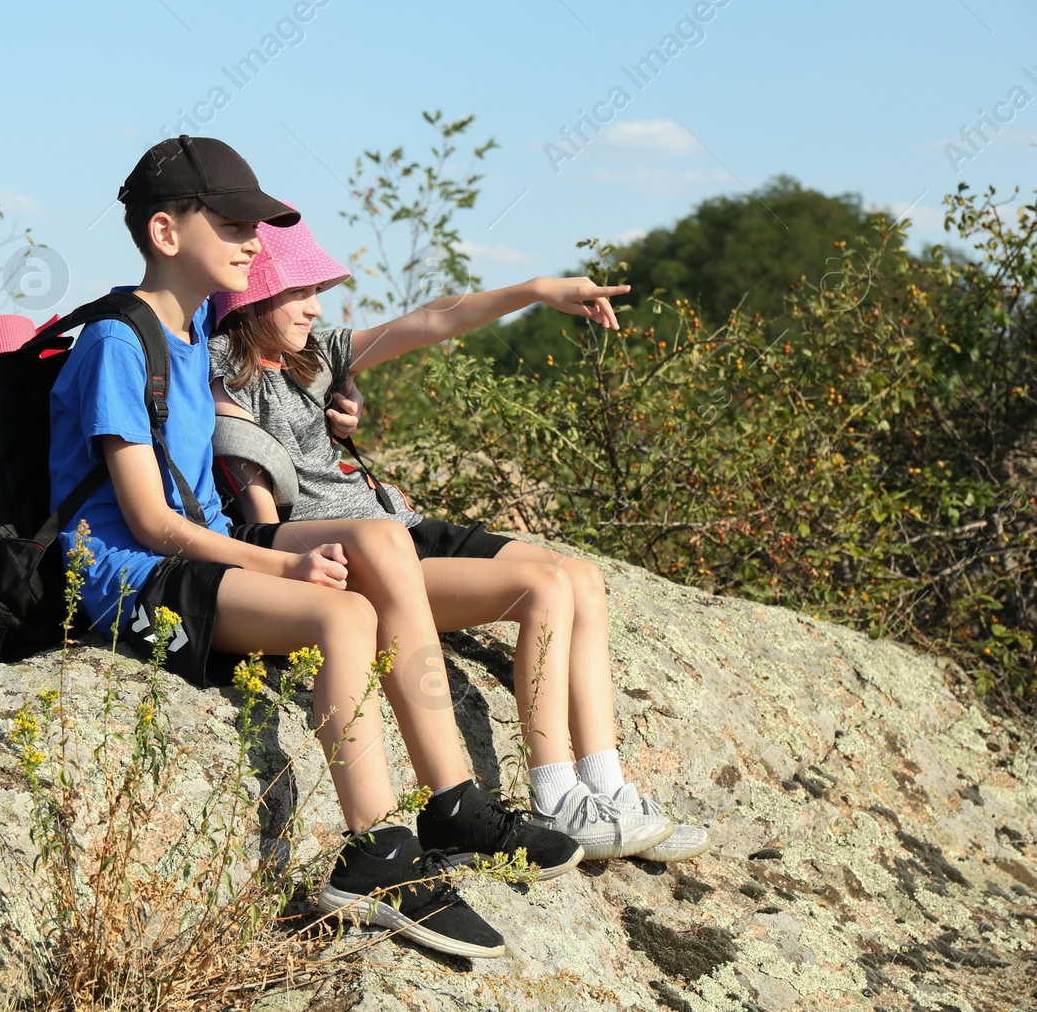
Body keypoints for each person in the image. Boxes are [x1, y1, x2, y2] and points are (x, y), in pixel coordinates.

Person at [48, 136, 584, 960]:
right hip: (130, 581)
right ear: (165, 233)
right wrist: (283, 565)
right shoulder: (118, 343)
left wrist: (342, 391)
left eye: (253, 225)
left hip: (200, 553)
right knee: (342, 618)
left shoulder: (189, 330)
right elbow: (151, 523)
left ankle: (455, 802)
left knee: (378, 538)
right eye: (230, 223)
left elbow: (283, 376)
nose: (252, 241)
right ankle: (373, 856)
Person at [206, 211, 711, 863]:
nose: (314, 305)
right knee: (542, 588)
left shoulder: (318, 357)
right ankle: (557, 794)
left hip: (400, 526)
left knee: (582, 577)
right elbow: (257, 505)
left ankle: (607, 788)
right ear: (251, 300)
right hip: (354, 555)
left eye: (314, 290)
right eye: (297, 291)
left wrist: (535, 289)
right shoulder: (223, 374)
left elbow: (433, 319)